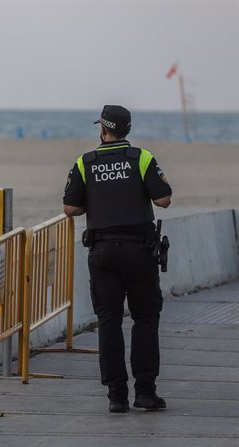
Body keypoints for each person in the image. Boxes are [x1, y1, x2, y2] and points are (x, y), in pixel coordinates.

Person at [62, 105, 172, 413]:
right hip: (139, 251)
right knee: (145, 319)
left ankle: (116, 396)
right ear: (127, 130)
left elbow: (69, 209)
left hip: (103, 251)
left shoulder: (86, 162)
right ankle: (146, 393)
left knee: (108, 321)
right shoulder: (142, 158)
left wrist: (95, 202)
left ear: (103, 129)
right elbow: (163, 199)